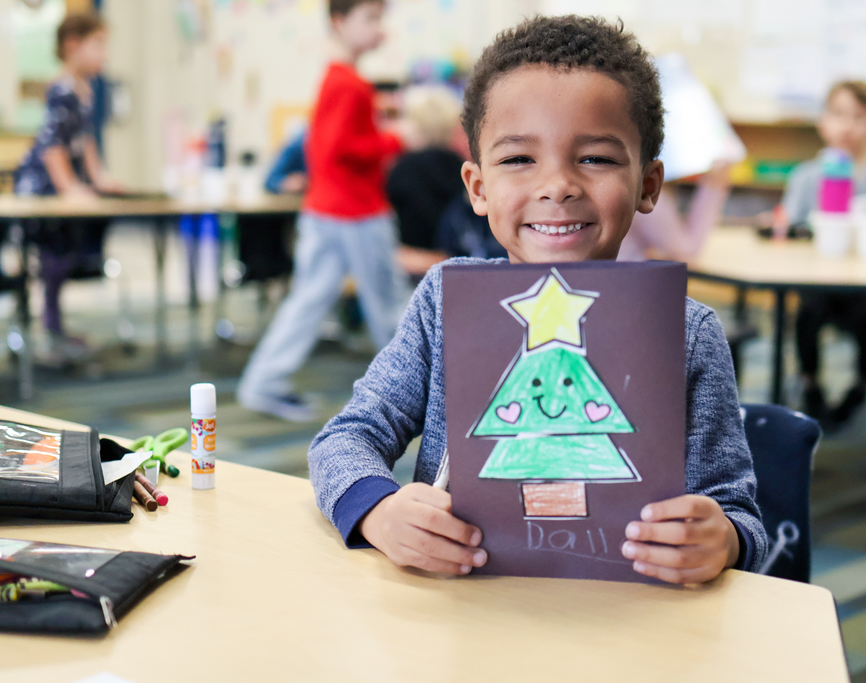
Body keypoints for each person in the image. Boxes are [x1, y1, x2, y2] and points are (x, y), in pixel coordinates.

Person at [308, 15, 767, 584]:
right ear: (478, 187)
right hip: (463, 609)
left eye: (595, 158)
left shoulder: (684, 331)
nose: (558, 186)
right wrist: (377, 510)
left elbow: (740, 513)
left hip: (632, 623)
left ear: (648, 185)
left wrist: (721, 539)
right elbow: (345, 439)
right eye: (519, 159)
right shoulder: (444, 302)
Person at [237, 0, 413, 422]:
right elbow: (336, 148)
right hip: (355, 211)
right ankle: (421, 390)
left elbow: (319, 147)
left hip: (330, 209)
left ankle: (263, 383)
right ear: (339, 22)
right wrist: (394, 140)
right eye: (370, 19)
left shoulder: (340, 80)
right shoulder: (349, 84)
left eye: (380, 19)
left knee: (311, 301)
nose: (379, 29)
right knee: (389, 306)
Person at [14, 12, 124, 362]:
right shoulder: (60, 89)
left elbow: (85, 141)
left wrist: (99, 178)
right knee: (52, 261)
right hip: (42, 186)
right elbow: (52, 146)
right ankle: (50, 329)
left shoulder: (86, 90)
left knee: (63, 260)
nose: (104, 55)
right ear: (72, 46)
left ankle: (56, 327)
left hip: (65, 184)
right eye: (98, 46)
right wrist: (71, 187)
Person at [778, 80, 866, 426]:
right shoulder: (807, 176)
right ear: (823, 123)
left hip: (865, 281)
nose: (848, 126)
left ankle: (861, 385)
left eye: (859, 117)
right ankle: (810, 382)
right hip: (819, 277)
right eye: (839, 115)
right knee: (808, 312)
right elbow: (789, 223)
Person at [385, 86, 465, 278]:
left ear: (416, 124)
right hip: (457, 260)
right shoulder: (462, 167)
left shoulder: (403, 168)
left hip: (411, 262)